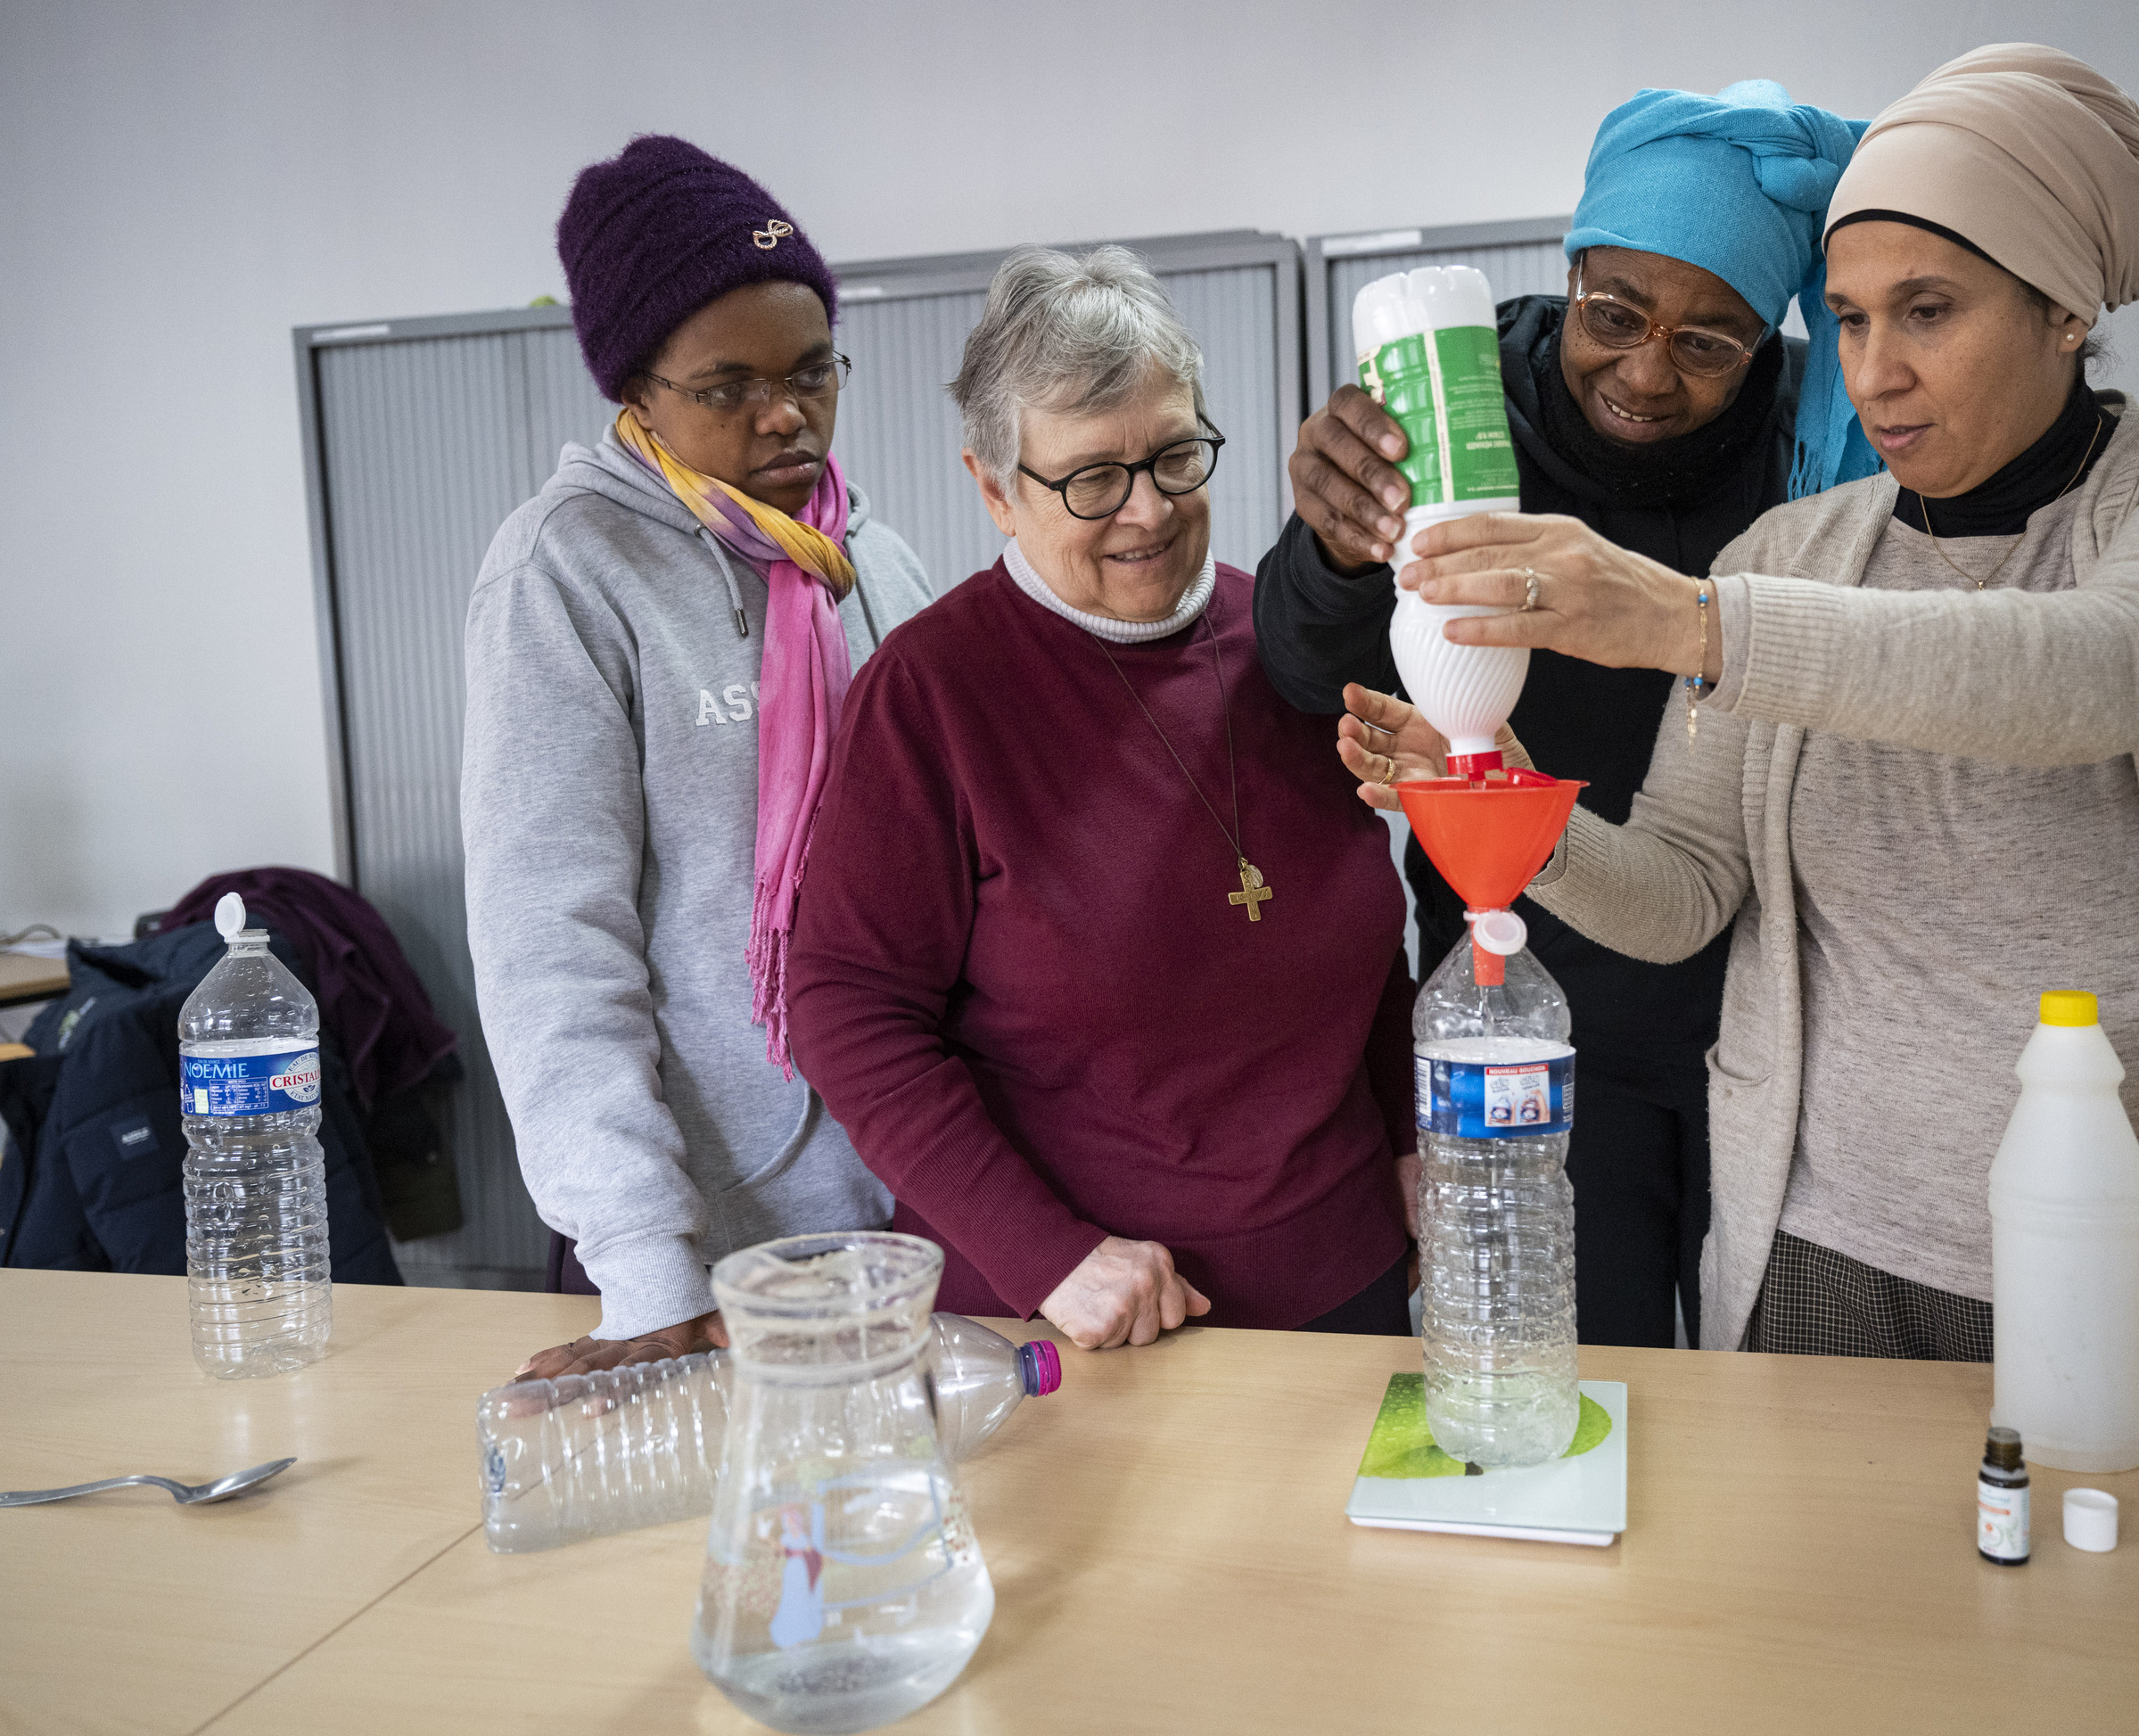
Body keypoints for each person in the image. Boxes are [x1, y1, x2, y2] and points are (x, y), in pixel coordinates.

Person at [1344, 45, 2139, 1376]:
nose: (1874, 371)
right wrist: (1499, 798)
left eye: (1928, 311)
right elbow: (1689, 890)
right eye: (1854, 317)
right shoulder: (1795, 552)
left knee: (2116, 1577)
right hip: (1820, 1241)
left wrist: (1685, 619)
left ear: (2063, 311)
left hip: (2123, 1241)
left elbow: (2096, 668)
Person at [1255, 80, 1876, 1349]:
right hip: (1524, 995)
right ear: (1574, 267)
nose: (1648, 372)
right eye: (1617, 314)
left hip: (1775, 1021)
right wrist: (1334, 550)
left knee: (1787, 1390)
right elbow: (1307, 675)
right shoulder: (1449, 417)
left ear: (1768, 339)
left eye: (1712, 342)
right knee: (1580, 1367)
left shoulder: (1823, 454)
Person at [786, 246, 1416, 1350]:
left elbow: (1358, 941)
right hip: (1087, 1321)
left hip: (1345, 1284)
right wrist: (1049, 1255)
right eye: (1090, 479)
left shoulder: (1288, 639)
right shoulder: (933, 692)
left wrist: (1415, 1142)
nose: (1148, 511)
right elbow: (849, 1009)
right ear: (994, 487)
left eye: (1176, 456)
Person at [461, 136, 935, 1379]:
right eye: (728, 387)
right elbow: (550, 948)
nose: (787, 415)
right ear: (638, 393)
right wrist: (644, 1265)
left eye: (814, 371)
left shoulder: (868, 559)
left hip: (910, 1201)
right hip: (706, 1237)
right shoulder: (565, 571)